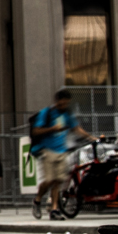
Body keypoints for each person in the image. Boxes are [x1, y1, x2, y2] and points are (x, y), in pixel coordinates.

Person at [30, 89, 92, 220]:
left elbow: (76, 128)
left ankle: (54, 209)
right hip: (48, 150)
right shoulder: (47, 113)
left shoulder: (67, 114)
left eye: (67, 103)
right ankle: (37, 199)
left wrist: (91, 137)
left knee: (58, 181)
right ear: (57, 101)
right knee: (49, 180)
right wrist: (52, 129)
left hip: (62, 151)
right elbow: (36, 130)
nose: (64, 105)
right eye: (62, 103)